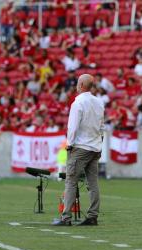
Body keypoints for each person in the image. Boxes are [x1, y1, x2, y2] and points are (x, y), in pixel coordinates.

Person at [53, 74, 105, 226]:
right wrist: (98, 142)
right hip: (95, 147)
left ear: (81, 84)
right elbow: (102, 127)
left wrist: (69, 144)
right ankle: (93, 216)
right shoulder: (99, 102)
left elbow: (73, 127)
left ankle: (66, 217)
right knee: (93, 183)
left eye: (77, 83)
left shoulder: (78, 103)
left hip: (81, 147)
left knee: (71, 182)